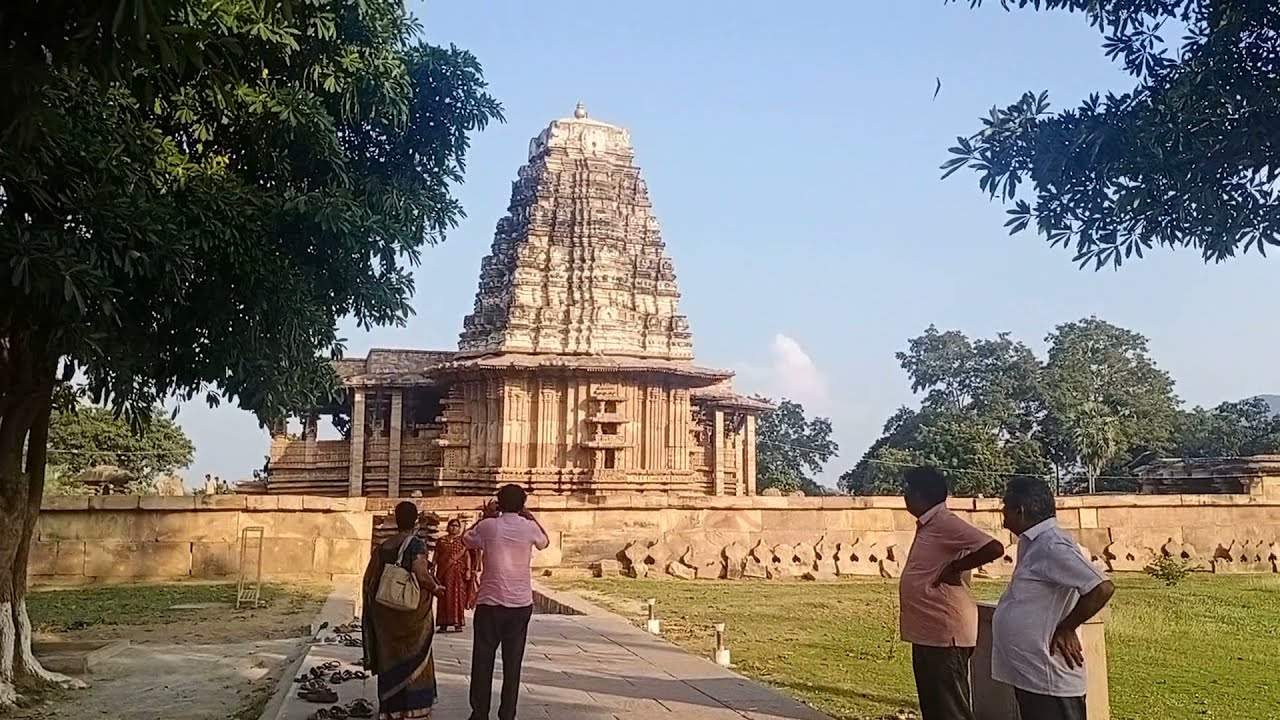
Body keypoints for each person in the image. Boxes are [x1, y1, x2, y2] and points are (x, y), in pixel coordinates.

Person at [993, 477, 1115, 720]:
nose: (1001, 511)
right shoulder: (1032, 543)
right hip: (1032, 671)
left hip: (1050, 676)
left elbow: (1101, 587)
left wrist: (1067, 627)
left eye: (1005, 505)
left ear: (1021, 510)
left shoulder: (1052, 545)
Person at [899, 466, 1005, 720]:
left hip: (946, 632)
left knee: (950, 708)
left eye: (908, 490)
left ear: (921, 494)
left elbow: (994, 547)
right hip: (928, 631)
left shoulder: (945, 522)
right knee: (934, 705)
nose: (904, 495)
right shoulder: (929, 524)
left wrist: (956, 567)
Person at [462, 484, 550, 720]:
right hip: (520, 603)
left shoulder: (488, 526)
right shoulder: (530, 527)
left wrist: (485, 516)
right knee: (513, 663)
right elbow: (545, 542)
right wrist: (530, 515)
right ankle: (507, 713)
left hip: (490, 602)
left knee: (482, 660)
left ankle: (480, 712)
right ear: (522, 504)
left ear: (499, 503)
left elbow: (466, 539)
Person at [362, 501, 447, 719]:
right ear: (416, 520)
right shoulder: (416, 544)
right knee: (414, 655)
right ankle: (413, 707)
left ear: (395, 520)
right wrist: (436, 588)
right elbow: (420, 573)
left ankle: (391, 708)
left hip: (385, 614)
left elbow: (371, 581)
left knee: (390, 656)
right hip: (409, 614)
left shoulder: (384, 546)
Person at [435, 518, 475, 633]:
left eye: (456, 526)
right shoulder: (441, 541)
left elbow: (467, 556)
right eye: (452, 525)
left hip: (458, 574)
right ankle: (443, 624)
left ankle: (457, 623)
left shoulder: (462, 542)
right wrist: (432, 566)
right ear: (448, 527)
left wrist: (468, 570)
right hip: (444, 573)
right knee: (444, 597)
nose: (454, 528)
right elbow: (436, 556)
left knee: (458, 597)